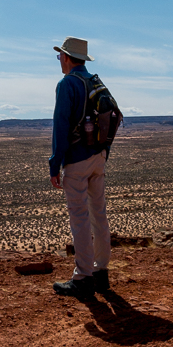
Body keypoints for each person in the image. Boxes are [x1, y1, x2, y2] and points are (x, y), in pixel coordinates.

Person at [48, 36, 112, 299]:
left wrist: (55, 164)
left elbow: (60, 127)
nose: (59, 61)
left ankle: (83, 277)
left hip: (78, 159)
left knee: (80, 217)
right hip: (98, 156)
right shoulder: (94, 81)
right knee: (99, 213)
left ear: (66, 57)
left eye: (59, 56)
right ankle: (101, 273)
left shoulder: (68, 84)